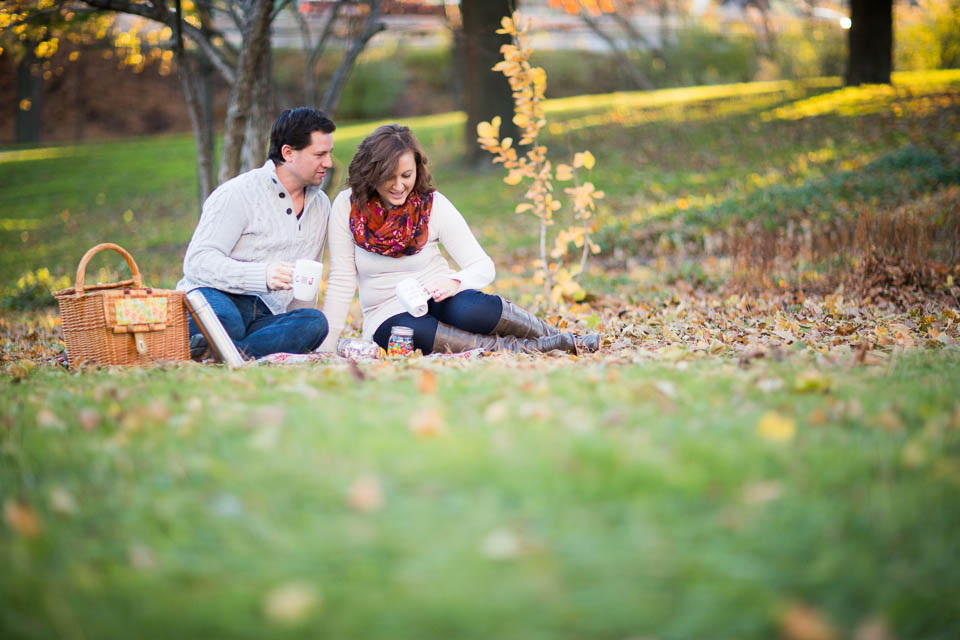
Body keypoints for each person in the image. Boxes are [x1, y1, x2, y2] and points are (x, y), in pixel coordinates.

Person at [319, 124, 600, 355]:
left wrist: (454, 282)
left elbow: (482, 266)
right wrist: (326, 347)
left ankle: (560, 337)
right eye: (388, 177)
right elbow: (342, 280)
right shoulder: (347, 206)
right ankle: (536, 349)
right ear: (371, 173)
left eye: (406, 175)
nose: (399, 185)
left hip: (437, 295)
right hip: (386, 313)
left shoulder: (431, 206)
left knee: (471, 309)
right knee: (413, 332)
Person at [177, 107, 335, 360]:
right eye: (319, 154)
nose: (328, 163)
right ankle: (234, 348)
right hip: (214, 295)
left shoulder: (321, 205)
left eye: (329, 153)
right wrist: (262, 275)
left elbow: (305, 279)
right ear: (288, 153)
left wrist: (296, 325)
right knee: (228, 321)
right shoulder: (238, 194)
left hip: (264, 315)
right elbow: (197, 262)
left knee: (314, 322)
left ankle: (225, 352)